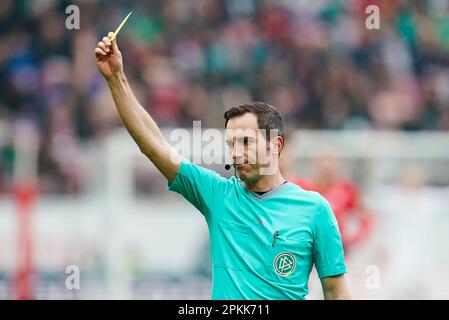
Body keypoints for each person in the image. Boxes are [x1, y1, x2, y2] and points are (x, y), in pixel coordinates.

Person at [94, 32, 350, 300]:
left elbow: (335, 291)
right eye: (232, 144)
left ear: (276, 145)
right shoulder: (218, 195)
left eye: (246, 142)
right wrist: (116, 79)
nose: (237, 153)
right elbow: (152, 144)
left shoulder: (314, 209)